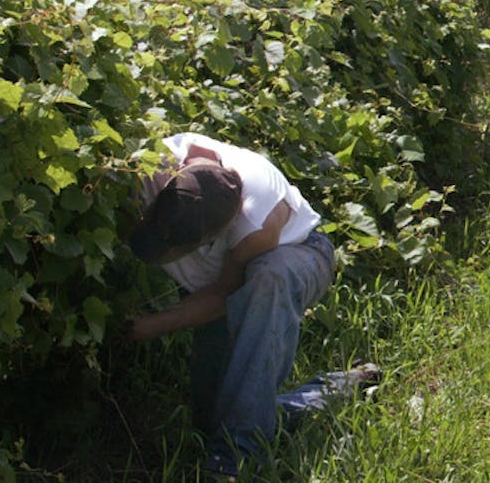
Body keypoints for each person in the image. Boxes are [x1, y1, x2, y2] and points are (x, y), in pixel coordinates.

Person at [126, 132, 373, 480]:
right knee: (221, 416)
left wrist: (146, 327)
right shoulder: (151, 163)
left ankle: (233, 463)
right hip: (219, 291)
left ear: (221, 232)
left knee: (269, 276)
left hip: (302, 255)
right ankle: (340, 387)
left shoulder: (257, 221)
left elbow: (223, 294)